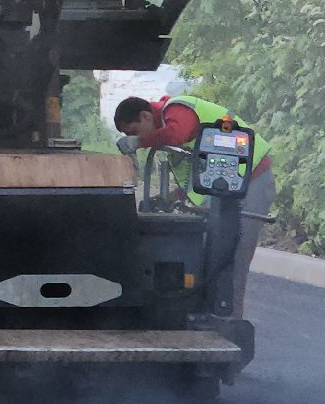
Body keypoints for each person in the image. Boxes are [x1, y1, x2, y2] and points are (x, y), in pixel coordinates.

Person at [113, 94, 273, 316]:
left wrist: (139, 143)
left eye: (133, 131)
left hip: (252, 180)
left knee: (233, 260)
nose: (135, 137)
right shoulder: (169, 126)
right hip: (228, 187)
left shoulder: (178, 109)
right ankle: (211, 314)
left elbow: (178, 134)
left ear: (145, 115)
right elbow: (197, 175)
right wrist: (171, 197)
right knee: (211, 257)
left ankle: (229, 324)